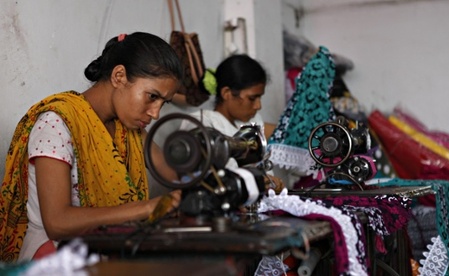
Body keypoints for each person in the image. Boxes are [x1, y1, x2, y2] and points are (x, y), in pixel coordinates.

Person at [0, 32, 183, 263]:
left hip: (104, 254)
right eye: (152, 96)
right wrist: (146, 208)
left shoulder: (130, 131)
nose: (155, 113)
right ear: (119, 76)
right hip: (57, 260)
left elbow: (176, 175)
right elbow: (57, 222)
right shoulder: (57, 123)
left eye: (163, 103)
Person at [179, 54, 283, 192]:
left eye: (260, 98)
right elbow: (205, 179)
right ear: (226, 93)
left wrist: (271, 182)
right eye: (252, 98)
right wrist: (255, 182)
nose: (258, 106)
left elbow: (263, 167)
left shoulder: (253, 122)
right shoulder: (201, 123)